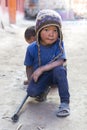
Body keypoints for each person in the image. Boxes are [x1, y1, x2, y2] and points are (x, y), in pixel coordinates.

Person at [24, 9, 70, 117]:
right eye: (46, 30)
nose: (51, 34)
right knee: (32, 92)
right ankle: (43, 90)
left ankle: (65, 103)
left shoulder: (59, 44)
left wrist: (41, 69)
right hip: (42, 77)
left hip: (55, 73)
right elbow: (29, 66)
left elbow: (60, 61)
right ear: (38, 31)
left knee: (60, 70)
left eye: (55, 30)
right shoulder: (31, 48)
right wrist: (31, 79)